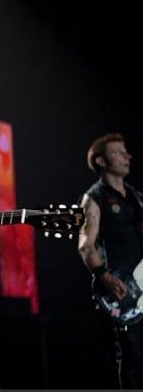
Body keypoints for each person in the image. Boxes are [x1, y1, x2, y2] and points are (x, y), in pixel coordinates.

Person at [78, 133, 143, 388]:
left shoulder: (136, 198)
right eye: (119, 152)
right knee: (131, 359)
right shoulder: (94, 197)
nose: (127, 156)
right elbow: (86, 245)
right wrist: (104, 276)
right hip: (122, 291)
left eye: (126, 151)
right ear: (102, 161)